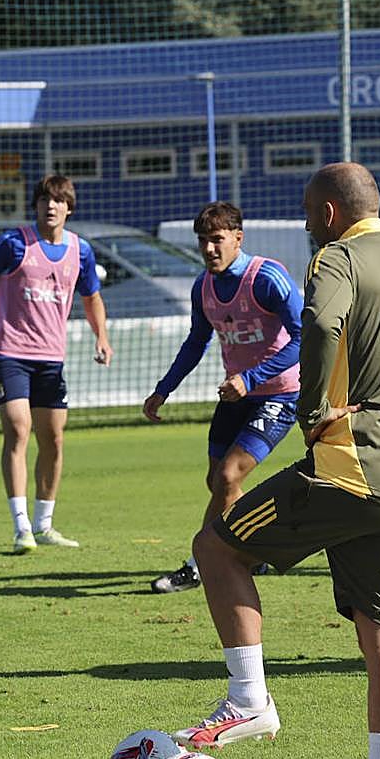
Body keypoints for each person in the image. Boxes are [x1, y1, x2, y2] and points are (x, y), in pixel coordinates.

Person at [173, 163, 380, 759]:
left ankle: (248, 700)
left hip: (355, 467)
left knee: (215, 547)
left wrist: (314, 411)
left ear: (327, 215)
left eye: (304, 211)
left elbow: (317, 324)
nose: (304, 223)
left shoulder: (339, 257)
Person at [144, 202, 302, 594]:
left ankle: (198, 566)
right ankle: (256, 549)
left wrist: (251, 377)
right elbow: (196, 341)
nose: (209, 249)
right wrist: (164, 388)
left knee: (229, 477)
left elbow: (305, 335)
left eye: (217, 240)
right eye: (203, 242)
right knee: (218, 481)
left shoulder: (267, 278)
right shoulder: (204, 286)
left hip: (279, 394)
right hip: (237, 395)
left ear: (237, 238)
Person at [0, 174, 112, 553]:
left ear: (69, 208)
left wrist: (101, 335)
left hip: (51, 360)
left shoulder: (81, 251)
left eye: (58, 200)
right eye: (44, 200)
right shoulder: (12, 244)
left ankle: (44, 524)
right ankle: (21, 526)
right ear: (36, 205)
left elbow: (92, 297)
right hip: (9, 353)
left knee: (53, 440)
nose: (51, 206)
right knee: (19, 430)